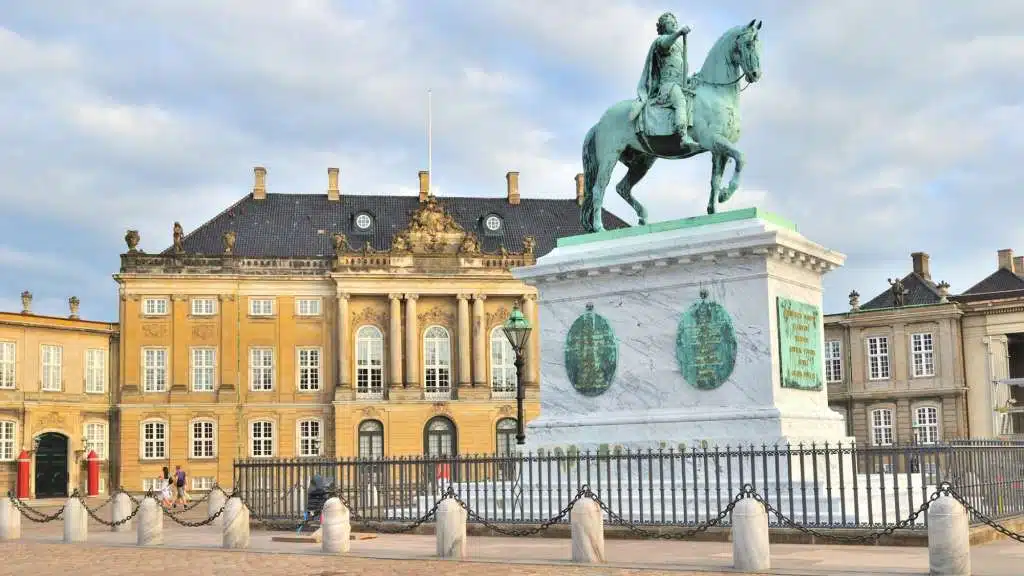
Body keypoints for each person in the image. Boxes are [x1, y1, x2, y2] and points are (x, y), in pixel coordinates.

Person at [635, 12, 697, 148]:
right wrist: (679, 33)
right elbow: (665, 44)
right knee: (680, 101)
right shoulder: (661, 41)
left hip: (680, 83)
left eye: (675, 21)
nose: (674, 23)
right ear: (663, 27)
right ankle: (683, 136)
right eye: (670, 22)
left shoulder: (679, 46)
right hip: (668, 86)